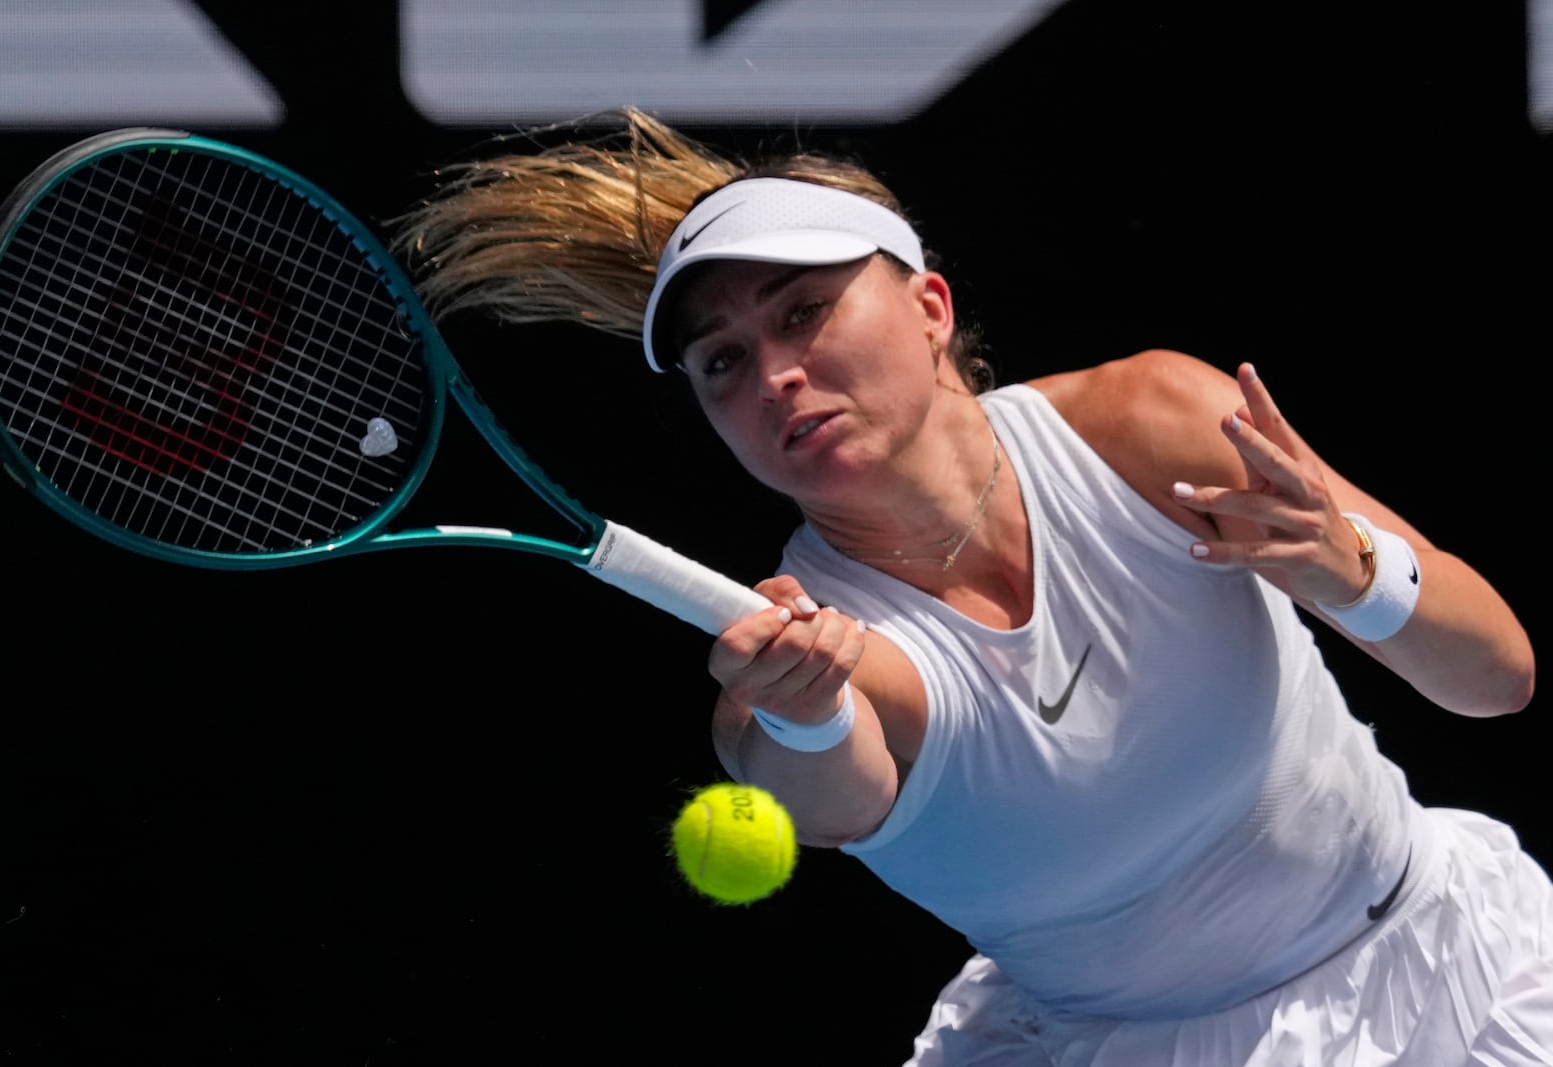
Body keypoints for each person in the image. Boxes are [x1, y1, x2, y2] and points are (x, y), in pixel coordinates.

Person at [394, 110, 1547, 1065]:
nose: (777, 375)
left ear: (931, 309)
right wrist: (804, 711)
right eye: (723, 363)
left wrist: (1350, 575)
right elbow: (820, 787)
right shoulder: (813, 656)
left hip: (1445, 957)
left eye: (802, 311)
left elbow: (1495, 676)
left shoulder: (1147, 424)